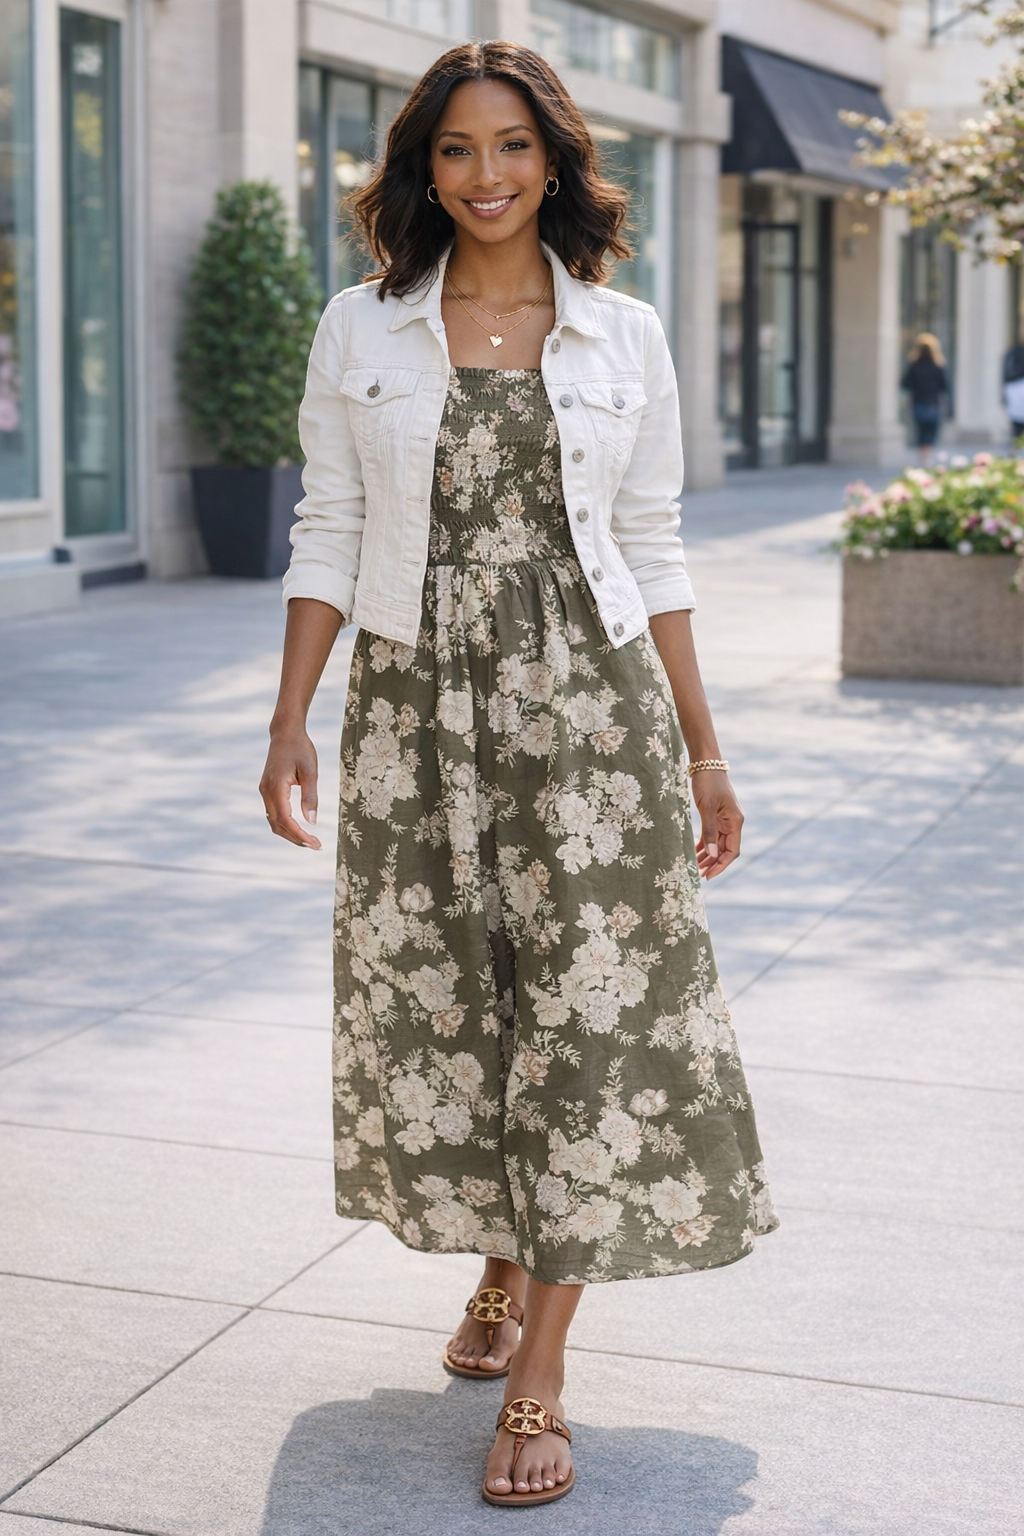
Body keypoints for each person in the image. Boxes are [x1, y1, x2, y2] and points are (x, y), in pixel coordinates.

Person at [259, 40, 777, 1509]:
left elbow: (658, 541)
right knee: (466, 1003)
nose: (485, 178)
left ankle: (541, 1360)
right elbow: (328, 523)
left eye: (510, 147)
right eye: (455, 153)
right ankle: (497, 1267)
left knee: (586, 1013)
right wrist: (293, 718)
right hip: (418, 711)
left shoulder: (624, 335)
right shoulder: (363, 327)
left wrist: (704, 744)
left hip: (589, 722)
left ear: (554, 158)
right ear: (424, 171)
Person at [901, 332, 949, 465]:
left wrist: (907, 404)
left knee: (921, 431)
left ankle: (923, 458)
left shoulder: (914, 365)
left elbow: (906, 386)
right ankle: (927, 458)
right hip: (933, 403)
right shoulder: (937, 366)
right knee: (930, 432)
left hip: (918, 403)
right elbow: (943, 389)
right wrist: (945, 406)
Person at [1002, 337, 1024, 443]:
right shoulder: (1012, 354)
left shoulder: (1010, 354)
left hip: (1012, 388)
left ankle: (1017, 442)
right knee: (1017, 420)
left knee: (1016, 420)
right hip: (1016, 387)